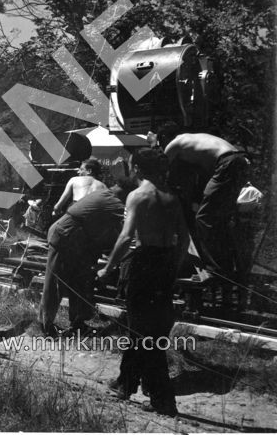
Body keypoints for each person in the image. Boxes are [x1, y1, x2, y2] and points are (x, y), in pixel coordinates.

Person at [97, 148, 189, 416]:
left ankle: (162, 399)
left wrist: (108, 268)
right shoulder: (173, 197)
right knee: (150, 328)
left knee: (141, 330)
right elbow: (183, 238)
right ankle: (125, 382)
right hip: (166, 262)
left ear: (136, 168)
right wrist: (174, 265)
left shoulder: (137, 196)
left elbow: (126, 238)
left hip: (145, 261)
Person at [40, 178, 134, 338]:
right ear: (125, 192)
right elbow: (132, 221)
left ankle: (77, 324)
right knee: (56, 283)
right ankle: (45, 326)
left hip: (76, 242)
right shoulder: (112, 200)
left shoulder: (105, 195)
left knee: (81, 283)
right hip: (65, 237)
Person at [157, 123, 250, 279]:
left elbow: (161, 171)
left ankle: (216, 268)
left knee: (204, 219)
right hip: (241, 161)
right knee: (221, 220)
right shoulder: (195, 142)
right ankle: (234, 264)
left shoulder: (175, 143)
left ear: (165, 137)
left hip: (227, 163)